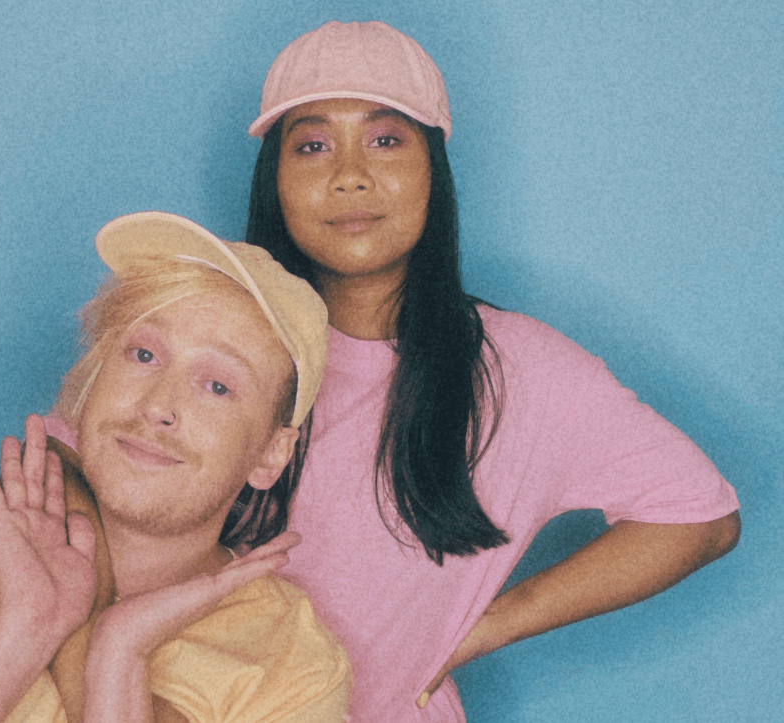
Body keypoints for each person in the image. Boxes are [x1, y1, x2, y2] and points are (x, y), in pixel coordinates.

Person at [238, 20, 741, 722]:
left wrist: (486, 625)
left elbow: (701, 517)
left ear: (433, 172)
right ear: (275, 180)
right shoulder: (218, 342)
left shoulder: (517, 370)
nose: (349, 174)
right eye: (312, 145)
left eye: (385, 140)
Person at [0, 212, 351, 723]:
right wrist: (22, 631)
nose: (157, 406)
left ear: (270, 455)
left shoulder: (294, 664)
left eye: (217, 386)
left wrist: (118, 653)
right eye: (143, 355)